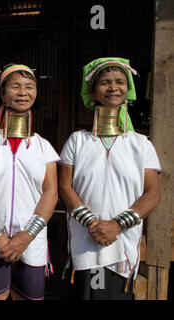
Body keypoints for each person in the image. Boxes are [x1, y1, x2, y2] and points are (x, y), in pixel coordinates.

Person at [58, 57, 161, 300]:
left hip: (122, 243)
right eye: (104, 82)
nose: (113, 87)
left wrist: (116, 225)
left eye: (120, 82)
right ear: (92, 92)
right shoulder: (78, 140)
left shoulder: (140, 144)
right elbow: (65, 186)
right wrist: (93, 224)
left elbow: (153, 193)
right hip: (86, 240)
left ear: (128, 89)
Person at [0, 64, 59, 300]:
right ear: (2, 94)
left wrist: (26, 237)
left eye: (29, 87)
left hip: (31, 240)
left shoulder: (43, 147)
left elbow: (51, 194)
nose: (23, 92)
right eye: (15, 86)